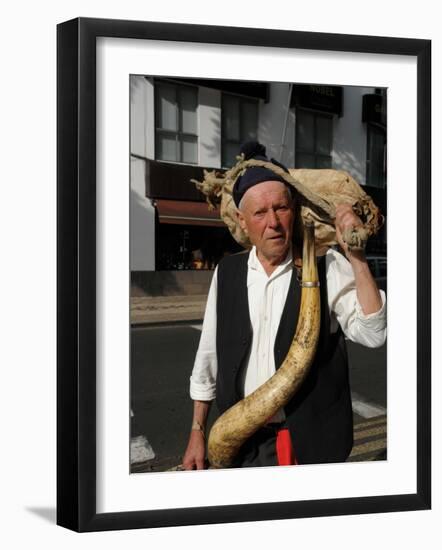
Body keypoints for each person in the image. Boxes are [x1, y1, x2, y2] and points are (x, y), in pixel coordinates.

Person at [182, 142, 386, 470]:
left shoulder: (326, 264)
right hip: (241, 442)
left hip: (308, 445)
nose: (273, 222)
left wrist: (357, 257)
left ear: (294, 210)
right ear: (242, 220)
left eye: (281, 208)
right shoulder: (228, 272)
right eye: (260, 213)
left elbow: (374, 332)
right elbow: (208, 357)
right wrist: (197, 430)